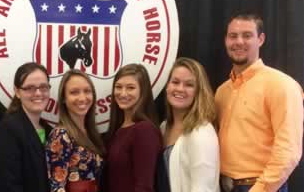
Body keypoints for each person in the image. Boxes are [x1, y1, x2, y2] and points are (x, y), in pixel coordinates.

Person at [216, 13, 303, 192]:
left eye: (247, 35)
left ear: (260, 39)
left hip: (262, 186)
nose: (239, 41)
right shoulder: (222, 92)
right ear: (226, 40)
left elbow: (288, 150)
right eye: (233, 36)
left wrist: (261, 189)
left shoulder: (281, 85)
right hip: (223, 184)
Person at [161, 57, 220, 192]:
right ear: (167, 86)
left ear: (199, 91)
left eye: (189, 85)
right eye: (175, 82)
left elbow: (203, 189)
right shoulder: (164, 128)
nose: (180, 89)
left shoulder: (201, 132)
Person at [0, 62, 52, 192]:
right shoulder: (8, 130)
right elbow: (7, 186)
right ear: (17, 92)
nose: (38, 93)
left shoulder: (49, 130)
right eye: (30, 88)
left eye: (43, 87)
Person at [105, 63, 162, 192]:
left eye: (130, 88)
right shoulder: (118, 130)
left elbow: (144, 186)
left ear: (143, 92)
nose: (123, 93)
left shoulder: (144, 130)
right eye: (118, 87)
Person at [45, 69, 105, 192]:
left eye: (87, 91)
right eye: (74, 92)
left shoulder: (91, 132)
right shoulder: (61, 135)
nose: (82, 98)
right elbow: (56, 187)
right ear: (63, 99)